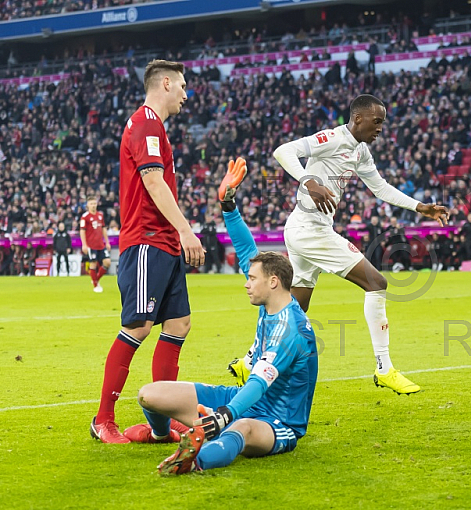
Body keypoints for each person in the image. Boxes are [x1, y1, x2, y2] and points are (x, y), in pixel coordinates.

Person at [126, 182, 317, 475]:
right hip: (239, 398)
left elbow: (258, 384)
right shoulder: (271, 300)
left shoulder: (291, 330)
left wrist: (224, 416)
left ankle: (195, 460)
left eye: (251, 278)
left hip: (277, 421)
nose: (246, 282)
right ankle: (162, 435)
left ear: (273, 281)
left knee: (237, 431)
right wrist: (229, 207)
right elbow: (245, 250)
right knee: (149, 395)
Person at [273, 94, 448, 394]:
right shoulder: (332, 138)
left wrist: (420, 207)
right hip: (310, 230)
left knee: (296, 308)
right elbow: (283, 151)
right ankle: (385, 368)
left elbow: (380, 187)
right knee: (377, 283)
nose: (380, 128)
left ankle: (252, 361)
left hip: (306, 228)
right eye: (376, 122)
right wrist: (309, 181)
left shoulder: (361, 152)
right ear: (358, 119)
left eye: (382, 122)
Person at [90, 59, 206, 444]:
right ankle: (103, 419)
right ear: (167, 83)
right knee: (137, 326)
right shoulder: (145, 124)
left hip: (163, 243)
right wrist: (186, 230)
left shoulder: (153, 128)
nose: (187, 96)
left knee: (178, 325)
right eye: (184, 87)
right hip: (146, 240)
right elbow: (154, 184)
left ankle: (164, 413)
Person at [80, 197, 111, 292]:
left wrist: (107, 242)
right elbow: (82, 231)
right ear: (87, 205)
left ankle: (96, 279)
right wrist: (84, 245)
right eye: (91, 204)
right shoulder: (85, 217)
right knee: (93, 264)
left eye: (94, 203)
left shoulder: (100, 215)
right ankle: (95, 286)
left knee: (107, 262)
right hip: (91, 245)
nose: (93, 205)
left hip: (100, 244)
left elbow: (103, 229)